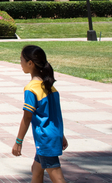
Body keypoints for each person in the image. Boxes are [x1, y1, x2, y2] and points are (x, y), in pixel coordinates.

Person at [12, 45, 68, 183]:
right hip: (51, 136)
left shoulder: (31, 89)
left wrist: (18, 141)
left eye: (21, 60)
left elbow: (27, 117)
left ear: (30, 63)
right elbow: (54, 116)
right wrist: (60, 135)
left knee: (57, 177)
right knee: (36, 171)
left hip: (45, 139)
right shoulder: (50, 87)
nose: (20, 63)